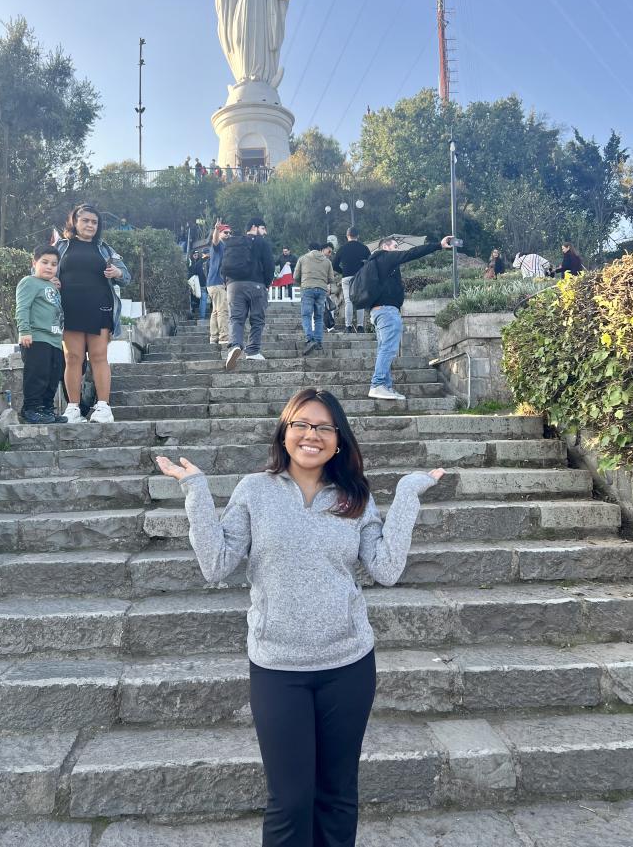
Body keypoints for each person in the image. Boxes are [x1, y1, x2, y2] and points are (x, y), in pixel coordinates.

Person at [156, 387, 445, 847]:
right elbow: (217, 564)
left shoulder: (354, 496)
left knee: (337, 796)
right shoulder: (255, 490)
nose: (312, 435)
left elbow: (386, 570)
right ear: (285, 432)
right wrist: (195, 490)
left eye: (324, 427)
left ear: (339, 439)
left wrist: (408, 495)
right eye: (302, 425)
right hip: (277, 668)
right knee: (289, 801)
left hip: (348, 665)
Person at [55, 204, 131, 423]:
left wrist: (117, 272)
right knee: (72, 358)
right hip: (69, 309)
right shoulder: (61, 246)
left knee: (99, 357)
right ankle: (73, 409)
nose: (90, 225)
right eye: (85, 220)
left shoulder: (105, 249)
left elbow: (125, 276)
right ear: (75, 222)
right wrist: (49, 278)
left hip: (100, 307)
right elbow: (41, 269)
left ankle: (104, 408)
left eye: (94, 222)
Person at [367, 234, 452, 400]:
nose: (398, 251)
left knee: (384, 349)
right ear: (385, 247)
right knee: (388, 349)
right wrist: (438, 245)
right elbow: (412, 253)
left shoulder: (376, 263)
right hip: (387, 312)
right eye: (395, 247)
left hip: (378, 311)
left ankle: (386, 386)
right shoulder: (385, 258)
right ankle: (377, 384)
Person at [15, 245, 67, 424]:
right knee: (37, 375)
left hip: (54, 340)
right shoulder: (28, 282)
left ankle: (46, 409)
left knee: (52, 376)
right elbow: (23, 307)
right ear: (34, 262)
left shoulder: (51, 285)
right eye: (44, 262)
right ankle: (31, 408)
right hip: (36, 338)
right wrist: (24, 331)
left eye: (54, 264)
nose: (49, 267)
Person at [222, 215, 275, 370]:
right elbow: (269, 265)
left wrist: (228, 283)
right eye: (263, 228)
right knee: (257, 319)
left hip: (233, 285)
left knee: (236, 319)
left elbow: (222, 265)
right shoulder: (261, 242)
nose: (264, 232)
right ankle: (252, 351)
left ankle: (235, 346)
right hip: (256, 284)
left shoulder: (233, 242)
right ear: (254, 227)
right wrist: (266, 283)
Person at [294, 242, 335, 355]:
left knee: (306, 315)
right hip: (321, 290)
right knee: (318, 316)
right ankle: (318, 341)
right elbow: (331, 278)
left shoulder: (303, 259)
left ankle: (310, 339)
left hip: (307, 288)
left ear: (309, 249)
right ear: (320, 249)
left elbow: (295, 276)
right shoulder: (327, 261)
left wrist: (302, 284)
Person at [333, 227, 371, 333]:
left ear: (347, 236)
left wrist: (343, 271)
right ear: (358, 236)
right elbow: (370, 263)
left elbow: (334, 265)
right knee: (360, 301)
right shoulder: (364, 248)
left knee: (348, 301)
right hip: (359, 277)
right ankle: (360, 327)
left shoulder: (342, 248)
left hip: (346, 278)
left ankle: (348, 327)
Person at [207, 222, 232, 348]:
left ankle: (214, 337)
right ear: (221, 232)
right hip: (217, 282)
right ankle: (223, 337)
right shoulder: (219, 245)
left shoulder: (224, 246)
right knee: (222, 310)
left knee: (216, 311)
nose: (228, 234)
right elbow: (215, 241)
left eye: (229, 232)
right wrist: (216, 230)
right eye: (225, 232)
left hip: (213, 283)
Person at [188, 249, 208, 319]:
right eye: (195, 255)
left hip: (201, 284)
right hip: (206, 283)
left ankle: (201, 317)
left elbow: (195, 272)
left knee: (202, 300)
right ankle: (202, 316)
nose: (196, 256)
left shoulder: (199, 262)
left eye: (197, 255)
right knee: (203, 300)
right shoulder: (210, 260)